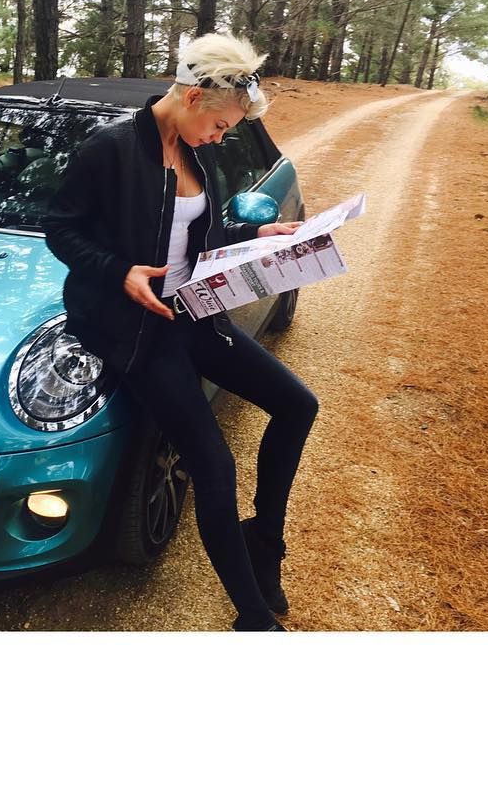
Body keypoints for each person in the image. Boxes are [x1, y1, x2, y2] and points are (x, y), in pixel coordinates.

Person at [43, 32, 319, 631]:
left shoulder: (196, 153)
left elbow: (194, 237)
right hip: (136, 329)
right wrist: (119, 271)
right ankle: (253, 619)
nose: (220, 138)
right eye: (220, 125)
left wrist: (255, 237)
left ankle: (264, 543)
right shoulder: (111, 148)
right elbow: (59, 229)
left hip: (192, 311)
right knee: (214, 465)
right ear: (194, 96)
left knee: (298, 405)